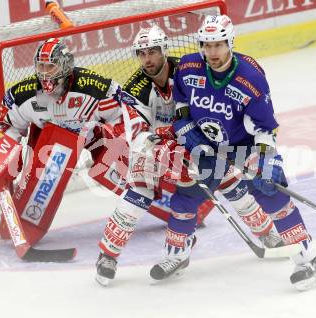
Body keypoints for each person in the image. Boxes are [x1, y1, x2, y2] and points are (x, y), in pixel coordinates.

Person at [94, 25, 284, 286]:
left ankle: (266, 233)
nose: (147, 59)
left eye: (152, 52)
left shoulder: (188, 71)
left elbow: (212, 106)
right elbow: (137, 133)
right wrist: (163, 146)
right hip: (156, 148)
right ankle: (108, 256)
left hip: (198, 138)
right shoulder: (135, 88)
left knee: (228, 180)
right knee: (138, 193)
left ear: (164, 50)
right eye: (141, 54)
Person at [149, 15, 316, 291]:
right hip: (206, 146)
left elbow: (266, 127)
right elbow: (181, 101)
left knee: (272, 194)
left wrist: (266, 160)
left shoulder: (250, 77)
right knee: (186, 197)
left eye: (218, 45)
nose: (212, 52)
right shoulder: (188, 67)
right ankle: (177, 255)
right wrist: (185, 128)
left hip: (243, 144)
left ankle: (308, 261)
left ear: (230, 42)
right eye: (207, 45)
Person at [0, 37, 147, 246]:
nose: (45, 72)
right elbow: (5, 126)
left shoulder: (93, 87)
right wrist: (6, 157)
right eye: (41, 66)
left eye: (51, 66)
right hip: (46, 141)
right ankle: (20, 223)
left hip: (90, 135)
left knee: (112, 170)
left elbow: (124, 114)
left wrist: (129, 142)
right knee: (37, 182)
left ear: (65, 66)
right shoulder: (23, 95)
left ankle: (157, 194)